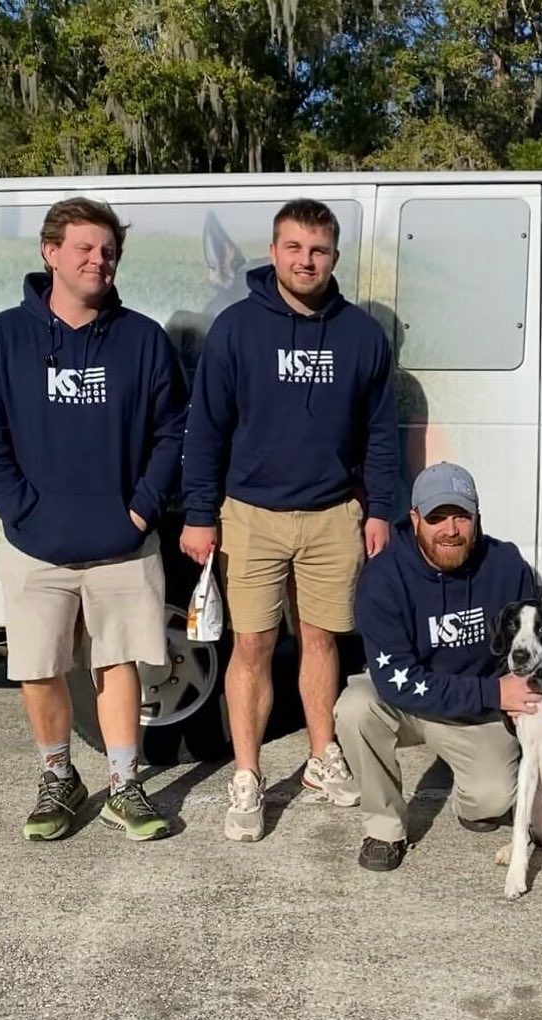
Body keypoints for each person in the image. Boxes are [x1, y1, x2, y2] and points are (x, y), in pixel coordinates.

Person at [0, 197, 187, 842]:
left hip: (124, 542)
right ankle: (59, 777)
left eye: (109, 251)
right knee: (38, 665)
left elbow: (175, 432)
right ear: (50, 252)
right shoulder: (3, 337)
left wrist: (142, 506)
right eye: (85, 248)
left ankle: (124, 784)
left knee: (119, 663)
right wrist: (25, 512)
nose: (98, 260)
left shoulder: (143, 339)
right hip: (36, 545)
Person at [180, 198, 398, 842]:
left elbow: (382, 433)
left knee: (323, 640)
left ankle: (320, 757)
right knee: (251, 647)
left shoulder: (360, 336)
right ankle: (247, 776)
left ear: (335, 257)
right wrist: (200, 514)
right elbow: (207, 429)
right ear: (273, 252)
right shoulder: (237, 329)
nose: (307, 261)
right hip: (250, 516)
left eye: (320, 250)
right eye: (295, 248)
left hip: (334, 515)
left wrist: (380, 508)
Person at [335, 462, 542, 871]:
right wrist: (492, 692)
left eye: (461, 516)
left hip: (474, 710)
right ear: (414, 519)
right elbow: (396, 681)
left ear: (477, 516)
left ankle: (472, 802)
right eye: (436, 518)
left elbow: (529, 649)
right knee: (355, 708)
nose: (450, 529)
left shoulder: (507, 567)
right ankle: (384, 828)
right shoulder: (384, 577)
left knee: (492, 800)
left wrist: (515, 693)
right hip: (408, 699)